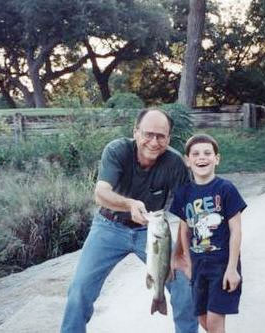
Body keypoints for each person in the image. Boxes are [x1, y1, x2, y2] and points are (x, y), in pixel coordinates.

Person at [61, 109, 198, 333]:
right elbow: (100, 194)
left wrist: (184, 252)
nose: (154, 142)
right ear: (135, 132)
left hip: (153, 231)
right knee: (80, 289)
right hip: (109, 227)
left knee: (184, 283)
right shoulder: (117, 150)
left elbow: (188, 212)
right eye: (148, 134)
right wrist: (129, 204)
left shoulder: (174, 162)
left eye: (161, 136)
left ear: (169, 138)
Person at [170, 134, 247, 333]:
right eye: (195, 154)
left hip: (221, 266)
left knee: (214, 322)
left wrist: (232, 268)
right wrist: (187, 260)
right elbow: (184, 229)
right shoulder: (183, 193)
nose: (201, 157)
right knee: (203, 320)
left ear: (217, 159)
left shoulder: (226, 189)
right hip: (198, 267)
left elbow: (236, 230)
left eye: (207, 153)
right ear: (188, 161)